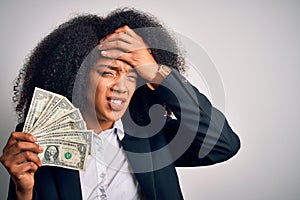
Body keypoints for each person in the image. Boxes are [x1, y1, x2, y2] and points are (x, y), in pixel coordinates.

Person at [0, 8, 240, 200]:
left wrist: (156, 72)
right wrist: (23, 192)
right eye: (109, 72)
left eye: (133, 75)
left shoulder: (152, 136)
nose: (122, 87)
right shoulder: (39, 139)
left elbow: (223, 145)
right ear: (79, 77)